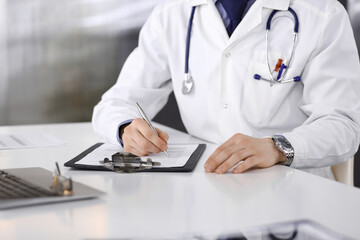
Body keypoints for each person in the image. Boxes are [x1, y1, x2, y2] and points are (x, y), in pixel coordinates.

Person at [92, 0, 360, 179]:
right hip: (204, 187)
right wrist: (126, 128)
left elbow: (343, 125)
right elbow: (115, 102)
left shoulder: (322, 13)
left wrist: (278, 148)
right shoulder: (174, 11)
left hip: (294, 188)